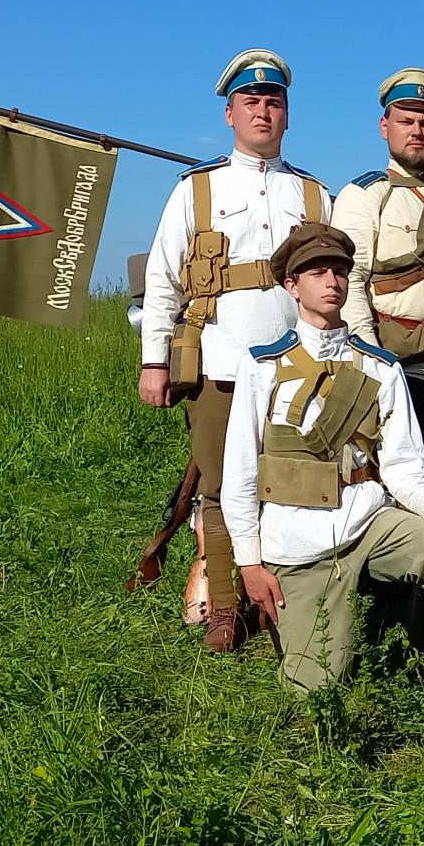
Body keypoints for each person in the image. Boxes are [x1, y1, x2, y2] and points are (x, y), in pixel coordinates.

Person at [138, 49, 332, 651]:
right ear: (230, 114)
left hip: (294, 365)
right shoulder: (197, 190)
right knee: (222, 489)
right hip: (220, 361)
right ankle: (225, 609)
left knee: (292, 482)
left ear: (287, 115)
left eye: (274, 102)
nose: (263, 112)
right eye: (251, 102)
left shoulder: (312, 194)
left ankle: (286, 598)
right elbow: (163, 278)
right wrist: (154, 360)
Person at [221, 224, 424, 693]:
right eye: (316, 272)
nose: (331, 281)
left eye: (339, 270)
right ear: (292, 286)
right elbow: (240, 476)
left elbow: (403, 461)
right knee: (317, 691)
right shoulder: (262, 367)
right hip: (297, 541)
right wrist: (250, 565)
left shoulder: (379, 366)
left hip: (367, 521)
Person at [331, 68, 424, 500]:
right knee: (387, 491)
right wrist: (369, 358)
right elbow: (351, 283)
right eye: (406, 120)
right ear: (385, 128)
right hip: (394, 367)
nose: (416, 131)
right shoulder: (364, 195)